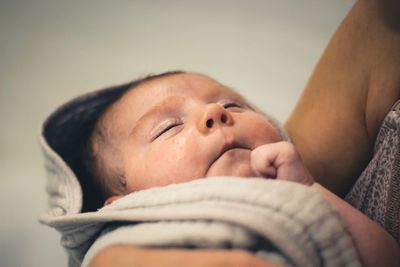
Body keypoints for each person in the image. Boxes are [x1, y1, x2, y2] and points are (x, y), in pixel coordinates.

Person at [39, 0, 400, 266]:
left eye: (233, 106)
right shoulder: (132, 238)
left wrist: (310, 189)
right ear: (123, 201)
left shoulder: (298, 192)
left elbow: (384, 257)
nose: (215, 113)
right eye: (169, 127)